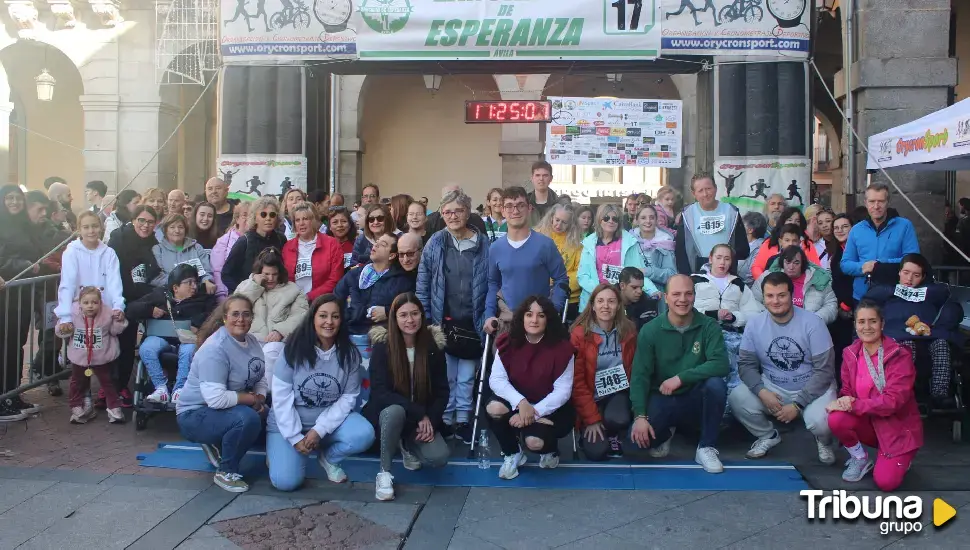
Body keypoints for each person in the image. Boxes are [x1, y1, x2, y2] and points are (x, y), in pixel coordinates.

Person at [266, 294, 374, 491]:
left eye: (335, 316)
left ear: (341, 320)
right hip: (289, 424)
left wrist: (319, 430)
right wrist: (294, 437)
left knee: (363, 434)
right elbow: (280, 399)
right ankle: (278, 452)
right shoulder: (292, 350)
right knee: (286, 482)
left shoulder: (349, 354)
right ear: (313, 318)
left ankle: (329, 457)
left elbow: (348, 398)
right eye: (323, 316)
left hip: (325, 423)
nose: (329, 322)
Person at [729, 272, 838, 464]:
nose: (775, 301)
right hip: (774, 386)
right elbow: (746, 365)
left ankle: (824, 440)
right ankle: (767, 435)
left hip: (812, 386)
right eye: (770, 296)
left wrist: (798, 405)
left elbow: (825, 371)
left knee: (821, 422)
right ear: (763, 297)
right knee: (737, 397)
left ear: (791, 294)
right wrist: (761, 391)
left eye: (781, 295)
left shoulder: (813, 322)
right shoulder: (754, 323)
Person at [629, 274, 729, 473]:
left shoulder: (708, 326)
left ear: (694, 296)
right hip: (662, 397)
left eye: (688, 294)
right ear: (666, 297)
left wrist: (681, 378)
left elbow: (721, 364)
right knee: (634, 444)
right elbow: (640, 375)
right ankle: (667, 433)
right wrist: (640, 416)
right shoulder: (651, 330)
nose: (682, 299)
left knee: (716, 385)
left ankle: (706, 446)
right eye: (676, 294)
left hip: (694, 396)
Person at [415, 189, 489, 443]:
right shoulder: (435, 242)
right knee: (445, 375)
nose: (452, 216)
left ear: (467, 212)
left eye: (457, 210)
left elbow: (491, 281)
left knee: (468, 376)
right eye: (447, 212)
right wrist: (425, 317)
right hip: (441, 320)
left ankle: (465, 419)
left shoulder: (483, 243)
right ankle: (446, 419)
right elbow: (423, 282)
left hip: (473, 319)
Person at [826, 300, 923, 491]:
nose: (867, 327)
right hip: (869, 423)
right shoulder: (850, 353)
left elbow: (892, 402)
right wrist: (844, 400)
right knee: (836, 418)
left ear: (882, 324)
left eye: (873, 321)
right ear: (855, 325)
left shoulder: (899, 355)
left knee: (886, 483)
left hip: (897, 428)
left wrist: (853, 405)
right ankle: (860, 458)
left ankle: (901, 457)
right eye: (861, 322)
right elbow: (847, 391)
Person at [176, 296, 268, 493]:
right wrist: (252, 400)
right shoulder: (215, 349)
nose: (240, 319)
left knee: (268, 414)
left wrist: (260, 397)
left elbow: (260, 375)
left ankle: (219, 442)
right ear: (225, 318)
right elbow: (215, 399)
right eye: (235, 314)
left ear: (252, 318)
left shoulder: (251, 341)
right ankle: (226, 472)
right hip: (194, 414)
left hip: (225, 407)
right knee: (247, 420)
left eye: (246, 314)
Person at [363, 293, 451, 501]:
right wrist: (420, 414)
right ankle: (384, 473)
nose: (409, 320)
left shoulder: (432, 348)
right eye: (403, 315)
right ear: (394, 318)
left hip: (419, 420)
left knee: (439, 457)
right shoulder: (383, 347)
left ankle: (407, 443)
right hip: (390, 415)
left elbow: (442, 391)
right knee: (395, 411)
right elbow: (380, 392)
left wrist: (430, 419)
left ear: (422, 316)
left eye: (414, 314)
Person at [487, 296, 575, 480]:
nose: (534, 320)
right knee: (494, 407)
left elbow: (563, 391)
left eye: (540, 315)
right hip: (519, 401)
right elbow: (496, 380)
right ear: (522, 317)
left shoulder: (562, 349)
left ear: (548, 319)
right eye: (529, 314)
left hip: (551, 407)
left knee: (535, 442)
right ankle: (512, 452)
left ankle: (551, 451)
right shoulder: (507, 342)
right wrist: (521, 402)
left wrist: (534, 413)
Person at [862, 253, 963, 406]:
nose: (909, 279)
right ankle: (904, 391)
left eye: (916, 275)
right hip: (899, 335)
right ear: (899, 273)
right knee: (906, 347)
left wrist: (940, 326)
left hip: (930, 333)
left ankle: (940, 394)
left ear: (922, 277)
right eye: (906, 273)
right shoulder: (884, 292)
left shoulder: (935, 292)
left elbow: (952, 308)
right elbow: (867, 306)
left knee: (942, 345)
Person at [483, 187, 569, 335]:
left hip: (539, 322)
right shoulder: (495, 248)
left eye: (520, 205)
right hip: (508, 321)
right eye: (509, 206)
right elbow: (492, 283)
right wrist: (489, 314)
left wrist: (553, 310)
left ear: (529, 208)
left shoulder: (545, 245)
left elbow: (561, 279)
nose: (515, 211)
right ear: (502, 211)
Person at [128, 264, 216, 404]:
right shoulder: (160, 295)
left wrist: (198, 322)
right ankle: (161, 388)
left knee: (188, 350)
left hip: (188, 341)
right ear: (175, 288)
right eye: (189, 283)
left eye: (195, 282)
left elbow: (215, 315)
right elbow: (131, 308)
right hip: (161, 339)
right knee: (146, 348)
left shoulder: (203, 298)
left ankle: (180, 389)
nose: (194, 286)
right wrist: (150, 310)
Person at [692, 244, 764, 408]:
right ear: (710, 258)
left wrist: (734, 317)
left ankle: (734, 410)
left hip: (732, 334)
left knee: (738, 369)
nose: (722, 262)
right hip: (703, 333)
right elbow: (685, 308)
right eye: (718, 258)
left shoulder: (738, 283)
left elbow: (753, 312)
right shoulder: (694, 280)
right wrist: (712, 314)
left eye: (727, 258)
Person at [571, 284, 636, 461]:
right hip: (590, 396)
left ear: (618, 305)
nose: (605, 306)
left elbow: (634, 369)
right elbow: (577, 383)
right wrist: (592, 419)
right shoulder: (579, 334)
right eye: (600, 301)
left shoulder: (629, 331)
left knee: (619, 418)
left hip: (618, 394)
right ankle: (589, 429)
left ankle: (613, 434)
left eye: (611, 301)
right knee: (596, 453)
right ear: (592, 305)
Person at [108, 205, 161, 406]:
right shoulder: (119, 238)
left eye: (149, 222)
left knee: (129, 343)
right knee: (115, 341)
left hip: (142, 297)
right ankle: (109, 387)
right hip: (119, 296)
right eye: (141, 220)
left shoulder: (154, 242)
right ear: (133, 220)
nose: (145, 226)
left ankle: (122, 385)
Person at [236, 248, 310, 379]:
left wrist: (280, 331)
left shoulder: (293, 289)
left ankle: (267, 395)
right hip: (250, 340)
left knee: (271, 352)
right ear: (259, 273)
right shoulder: (245, 286)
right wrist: (255, 285)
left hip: (279, 343)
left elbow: (302, 315)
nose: (270, 278)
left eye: (274, 274)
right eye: (266, 274)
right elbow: (236, 307)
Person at [841, 182, 920, 302]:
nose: (876, 206)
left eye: (881, 201)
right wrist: (863, 267)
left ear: (888, 202)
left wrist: (880, 265)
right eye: (872, 201)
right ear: (866, 203)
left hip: (895, 295)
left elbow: (913, 259)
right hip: (863, 297)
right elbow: (845, 264)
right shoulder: (856, 229)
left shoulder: (904, 226)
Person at [55, 211, 126, 341]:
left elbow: (114, 282)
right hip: (79, 309)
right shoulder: (71, 252)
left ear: (101, 227)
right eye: (86, 227)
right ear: (79, 230)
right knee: (80, 350)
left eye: (95, 226)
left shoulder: (109, 253)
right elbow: (67, 284)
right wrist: (65, 315)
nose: (91, 231)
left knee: (104, 350)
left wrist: (118, 306)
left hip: (104, 310)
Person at [60, 287, 128, 424]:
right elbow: (63, 330)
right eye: (86, 303)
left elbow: (115, 331)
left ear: (100, 303)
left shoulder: (107, 313)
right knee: (77, 382)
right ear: (79, 303)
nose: (90, 306)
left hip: (101, 357)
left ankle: (114, 407)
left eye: (94, 302)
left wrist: (119, 321)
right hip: (79, 357)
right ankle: (77, 406)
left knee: (108, 382)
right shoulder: (72, 314)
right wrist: (63, 328)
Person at [335, 233, 415, 335]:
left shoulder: (403, 280)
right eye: (377, 242)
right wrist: (349, 316)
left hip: (381, 336)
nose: (376, 245)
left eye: (383, 244)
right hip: (348, 333)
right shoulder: (354, 274)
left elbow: (409, 307)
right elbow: (336, 300)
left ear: (392, 255)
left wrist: (387, 311)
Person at [577, 204, 652, 311]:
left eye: (615, 218)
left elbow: (638, 272)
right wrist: (601, 292)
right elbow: (583, 275)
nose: (611, 221)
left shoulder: (629, 241)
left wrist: (652, 290)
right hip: (593, 299)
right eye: (606, 218)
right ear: (599, 220)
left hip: (621, 301)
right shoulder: (589, 242)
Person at [675, 174, 749, 275]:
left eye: (708, 188)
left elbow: (742, 247)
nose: (705, 194)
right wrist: (686, 275)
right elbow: (680, 248)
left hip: (726, 270)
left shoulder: (731, 211)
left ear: (715, 188)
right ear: (694, 193)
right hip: (697, 270)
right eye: (700, 190)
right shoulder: (687, 214)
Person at [753, 246, 838, 325]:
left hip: (808, 328)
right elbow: (753, 300)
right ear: (782, 262)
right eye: (788, 262)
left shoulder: (817, 278)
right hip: (773, 326)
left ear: (803, 264)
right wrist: (770, 318)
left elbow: (831, 305)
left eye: (796, 263)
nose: (791, 267)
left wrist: (813, 320)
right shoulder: (768, 276)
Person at [222, 196, 287, 294]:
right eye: (263, 214)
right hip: (249, 296)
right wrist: (242, 292)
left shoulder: (281, 239)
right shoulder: (244, 241)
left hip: (275, 295)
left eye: (272, 215)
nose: (268, 218)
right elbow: (226, 274)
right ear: (255, 218)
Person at [282, 202, 345, 300]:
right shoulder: (287, 247)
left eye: (305, 219)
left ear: (314, 220)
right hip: (293, 302)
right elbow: (284, 280)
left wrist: (309, 297)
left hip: (322, 302)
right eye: (297, 220)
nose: (301, 223)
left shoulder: (332, 244)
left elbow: (335, 279)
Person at [535, 204, 583, 322]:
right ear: (551, 217)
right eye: (557, 220)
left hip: (567, 299)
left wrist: (558, 287)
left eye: (564, 222)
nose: (559, 225)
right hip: (538, 294)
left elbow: (579, 272)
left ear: (571, 224)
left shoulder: (577, 244)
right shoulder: (536, 236)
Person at [151, 214, 216, 294]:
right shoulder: (158, 249)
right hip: (170, 293)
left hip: (197, 291)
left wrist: (207, 280)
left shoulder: (196, 247)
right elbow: (157, 277)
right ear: (165, 230)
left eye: (180, 227)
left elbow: (207, 270)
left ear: (186, 230)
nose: (177, 231)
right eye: (172, 227)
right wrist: (180, 284)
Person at [750, 209, 821, 280]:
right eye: (789, 220)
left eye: (797, 221)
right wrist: (766, 282)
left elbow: (817, 269)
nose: (793, 223)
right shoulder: (770, 242)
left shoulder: (807, 243)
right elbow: (757, 267)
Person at [631, 204, 677, 289]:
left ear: (656, 220)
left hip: (658, 289)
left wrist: (648, 272)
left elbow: (672, 275)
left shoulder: (666, 242)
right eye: (643, 218)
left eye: (652, 217)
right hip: (632, 289)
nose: (648, 221)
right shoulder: (630, 240)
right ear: (637, 220)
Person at [211, 202, 249, 300]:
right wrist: (223, 296)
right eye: (245, 215)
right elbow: (217, 271)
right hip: (229, 295)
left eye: (252, 215)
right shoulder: (224, 241)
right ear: (237, 218)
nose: (249, 218)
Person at [618, 267, 661, 331]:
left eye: (641, 287)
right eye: (634, 287)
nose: (639, 291)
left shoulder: (647, 304)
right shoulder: (609, 300)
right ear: (622, 286)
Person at [738, 211, 768, 287]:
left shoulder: (760, 248)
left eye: (741, 225)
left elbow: (750, 276)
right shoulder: (742, 244)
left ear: (750, 230)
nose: (738, 227)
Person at [325, 206, 357, 270]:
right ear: (330, 227)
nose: (340, 225)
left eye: (343, 221)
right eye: (335, 222)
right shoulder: (325, 246)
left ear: (350, 225)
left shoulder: (357, 244)